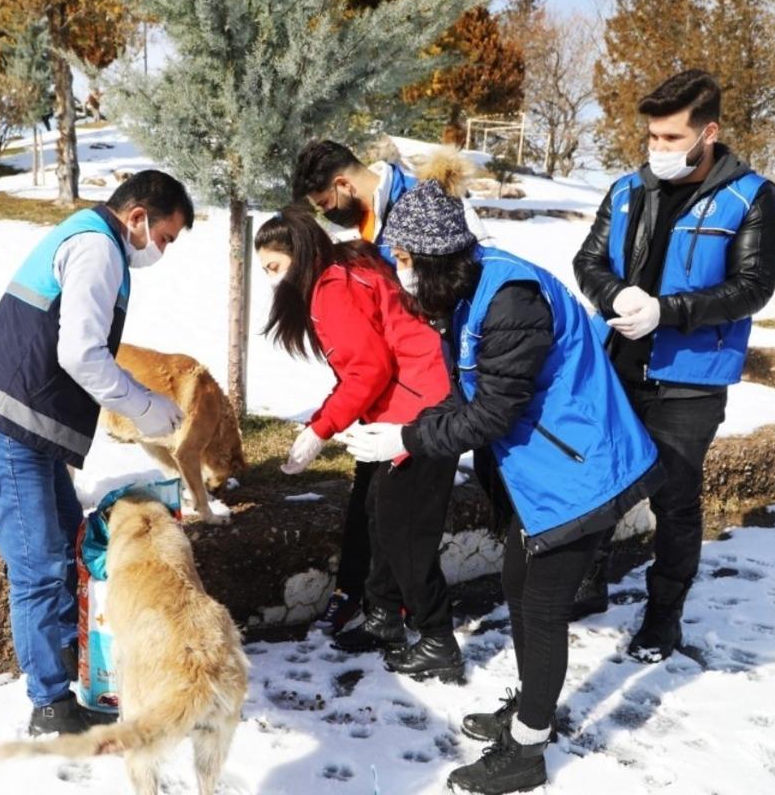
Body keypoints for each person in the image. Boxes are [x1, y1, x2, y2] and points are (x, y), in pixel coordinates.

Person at [339, 180, 664, 794]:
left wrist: (407, 443)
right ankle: (530, 710)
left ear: (424, 258)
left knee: (540, 609)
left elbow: (493, 415)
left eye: (401, 261)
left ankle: (527, 751)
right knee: (518, 585)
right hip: (545, 472)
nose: (397, 273)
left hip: (581, 472)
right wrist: (409, 425)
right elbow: (468, 393)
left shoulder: (509, 300)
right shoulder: (466, 293)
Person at [0, 171, 194, 736]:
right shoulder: (96, 248)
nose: (162, 250)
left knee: (66, 544)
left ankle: (73, 671)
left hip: (24, 431)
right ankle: (50, 706)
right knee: (38, 569)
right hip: (7, 433)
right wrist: (144, 407)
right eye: (166, 237)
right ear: (138, 217)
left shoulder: (93, 239)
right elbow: (82, 354)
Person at [570, 70, 775, 661]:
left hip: (689, 380)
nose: (657, 149)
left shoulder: (751, 196)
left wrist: (668, 311)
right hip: (617, 366)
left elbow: (752, 287)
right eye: (651, 137)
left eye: (670, 138)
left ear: (707, 132)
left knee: (675, 501)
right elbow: (588, 258)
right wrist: (613, 296)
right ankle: (587, 583)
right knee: (599, 483)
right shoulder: (626, 190)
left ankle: (663, 615)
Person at [256, 205, 464, 679]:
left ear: (300, 253)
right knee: (378, 515)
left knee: (405, 532)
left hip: (421, 410)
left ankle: (437, 638)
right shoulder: (349, 263)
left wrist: (319, 429)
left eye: (275, 268)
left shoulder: (331, 289)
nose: (272, 281)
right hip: (409, 403)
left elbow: (367, 370)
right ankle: (383, 617)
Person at [291, 140, 487, 635]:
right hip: (385, 393)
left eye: (325, 205)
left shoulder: (420, 204)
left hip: (429, 388)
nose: (327, 216)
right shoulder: (365, 226)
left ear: (342, 185)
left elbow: (461, 286)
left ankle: (417, 621)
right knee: (372, 502)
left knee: (408, 517)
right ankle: (368, 600)